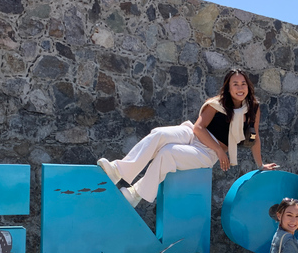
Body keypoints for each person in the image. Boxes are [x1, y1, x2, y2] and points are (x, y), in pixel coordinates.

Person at [97, 68, 278, 205]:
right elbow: (199, 128)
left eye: (243, 83)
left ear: (248, 85)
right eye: (235, 84)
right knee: (159, 134)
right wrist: (220, 151)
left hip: (207, 152)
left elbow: (254, 137)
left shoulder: (253, 108)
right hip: (192, 134)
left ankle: (136, 194)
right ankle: (117, 171)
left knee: (168, 153)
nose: (240, 88)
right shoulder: (216, 104)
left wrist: (260, 164)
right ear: (228, 88)